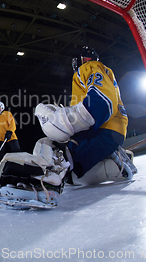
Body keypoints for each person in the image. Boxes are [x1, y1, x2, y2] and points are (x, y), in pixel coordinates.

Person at [35, 46, 137, 185]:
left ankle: (42, 183)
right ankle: (116, 166)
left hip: (102, 131)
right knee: (73, 175)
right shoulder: (103, 71)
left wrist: (69, 120)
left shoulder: (89, 67)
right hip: (110, 132)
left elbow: (103, 101)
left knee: (51, 148)